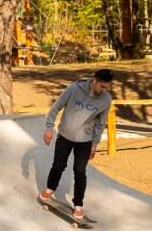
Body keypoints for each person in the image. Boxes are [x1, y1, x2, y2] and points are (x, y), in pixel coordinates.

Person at [39, 69, 113, 219]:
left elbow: (100, 123)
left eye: (107, 87)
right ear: (94, 80)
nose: (104, 90)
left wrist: (95, 144)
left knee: (80, 172)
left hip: (84, 141)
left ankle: (78, 204)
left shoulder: (106, 99)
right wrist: (48, 128)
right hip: (64, 136)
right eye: (102, 87)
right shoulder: (74, 88)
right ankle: (50, 188)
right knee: (58, 166)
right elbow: (55, 108)